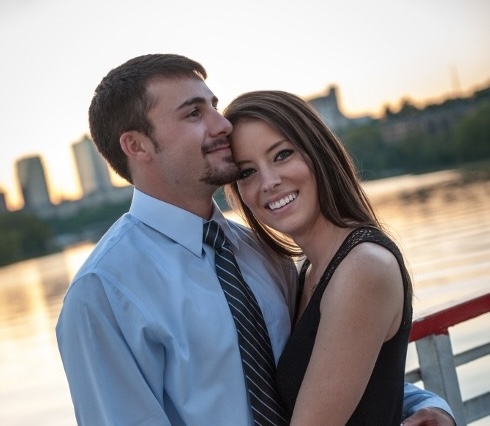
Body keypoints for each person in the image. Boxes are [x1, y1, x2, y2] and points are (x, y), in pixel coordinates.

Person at [55, 53, 455, 425]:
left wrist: (423, 406)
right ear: (137, 145)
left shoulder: (265, 254)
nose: (221, 124)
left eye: (213, 104)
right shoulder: (102, 294)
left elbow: (330, 372)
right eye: (195, 113)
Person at [223, 90, 455, 425]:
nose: (269, 182)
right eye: (246, 172)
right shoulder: (307, 272)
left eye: (282, 155)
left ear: (318, 152)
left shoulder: (362, 268)